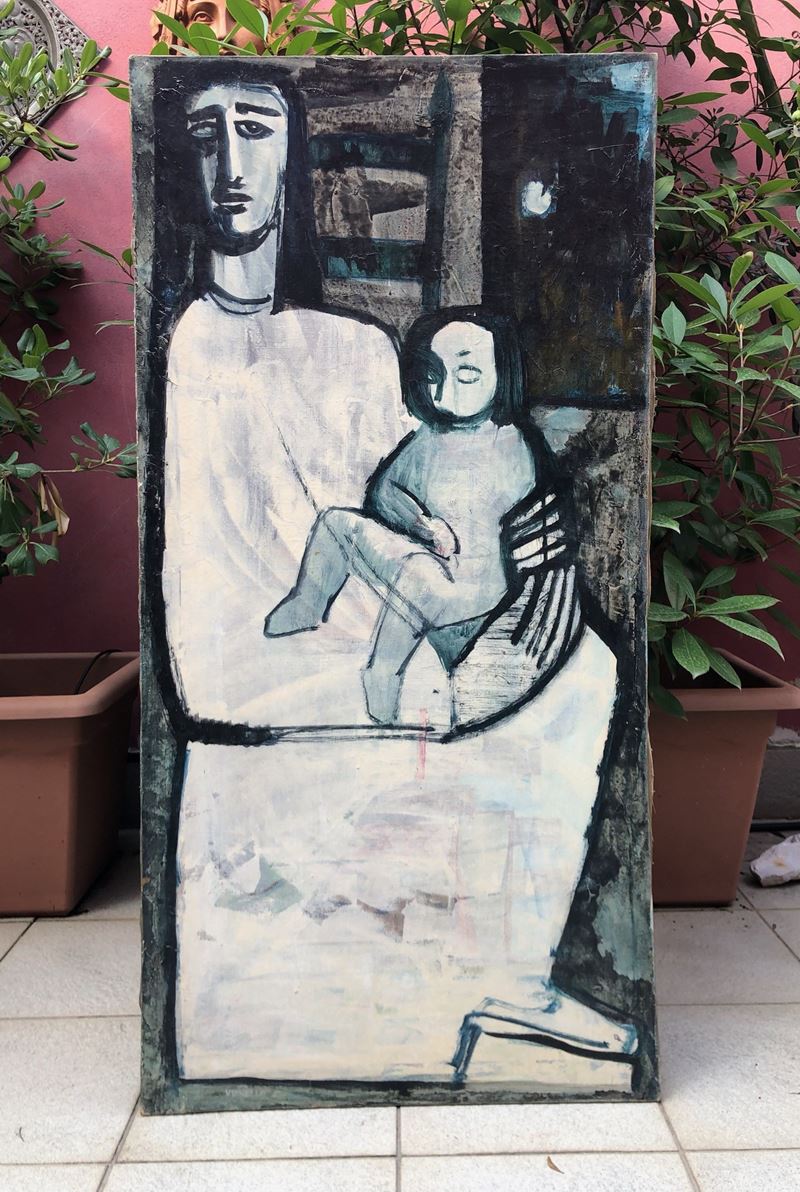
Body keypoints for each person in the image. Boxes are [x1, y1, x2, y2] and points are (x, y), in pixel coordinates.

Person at [265, 309, 567, 726]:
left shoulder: (512, 442)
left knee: (416, 576)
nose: (444, 390)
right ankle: (307, 604)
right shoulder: (429, 437)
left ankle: (384, 673)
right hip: (427, 565)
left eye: (466, 374)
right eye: (433, 375)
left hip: (474, 593)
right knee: (335, 522)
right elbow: (384, 492)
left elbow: (512, 532)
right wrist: (423, 524)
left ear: (503, 375)